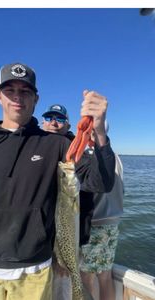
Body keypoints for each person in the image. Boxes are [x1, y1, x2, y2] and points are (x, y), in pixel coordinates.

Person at [0, 62, 115, 300]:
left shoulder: (57, 145)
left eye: (25, 91)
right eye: (10, 90)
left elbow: (100, 184)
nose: (17, 97)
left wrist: (101, 133)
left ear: (36, 98)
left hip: (35, 271)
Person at [80, 123, 124, 300]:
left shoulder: (91, 154)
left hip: (96, 224)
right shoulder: (115, 156)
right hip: (113, 223)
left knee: (87, 277)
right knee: (105, 276)